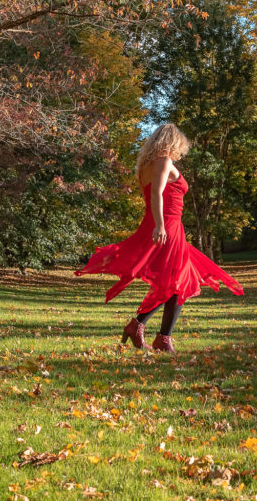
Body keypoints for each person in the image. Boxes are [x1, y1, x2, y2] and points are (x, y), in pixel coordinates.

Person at [74, 123, 244, 352]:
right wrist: (161, 226)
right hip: (167, 225)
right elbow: (156, 193)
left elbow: (156, 193)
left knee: (175, 281)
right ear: (174, 142)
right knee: (177, 281)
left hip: (162, 224)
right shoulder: (164, 161)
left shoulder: (145, 165)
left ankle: (143, 328)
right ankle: (159, 337)